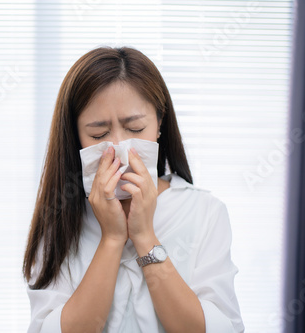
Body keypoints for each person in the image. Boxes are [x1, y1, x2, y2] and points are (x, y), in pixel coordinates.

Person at [23, 46, 244, 333]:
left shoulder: (205, 212)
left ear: (159, 123)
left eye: (136, 128)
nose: (119, 148)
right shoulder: (60, 217)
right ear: (75, 136)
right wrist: (112, 239)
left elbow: (220, 328)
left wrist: (144, 237)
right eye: (98, 134)